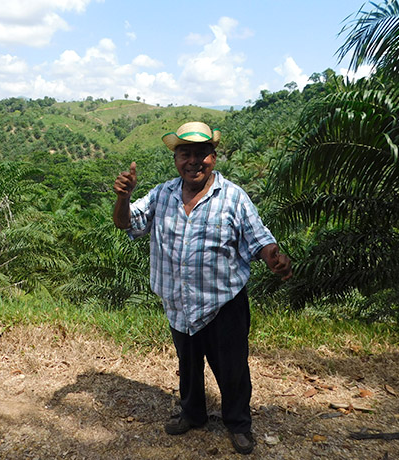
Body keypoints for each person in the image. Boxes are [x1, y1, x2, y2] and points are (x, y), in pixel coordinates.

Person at [113, 121, 292, 455]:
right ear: (176, 158)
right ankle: (192, 414)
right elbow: (126, 223)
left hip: (224, 304)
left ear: (213, 157)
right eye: (185, 154)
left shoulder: (233, 197)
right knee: (189, 366)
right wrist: (123, 198)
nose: (193, 161)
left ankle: (238, 424)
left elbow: (261, 240)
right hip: (179, 303)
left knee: (233, 370)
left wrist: (275, 259)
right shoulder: (162, 195)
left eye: (201, 154)